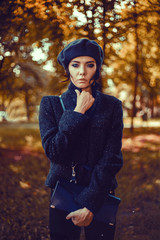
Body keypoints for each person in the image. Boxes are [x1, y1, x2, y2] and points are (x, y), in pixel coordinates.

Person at [39, 38, 123, 240]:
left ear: (97, 68)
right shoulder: (51, 105)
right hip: (63, 191)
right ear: (67, 68)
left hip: (100, 192)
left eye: (90, 65)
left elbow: (111, 158)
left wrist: (90, 204)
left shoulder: (112, 106)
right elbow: (54, 152)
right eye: (75, 65)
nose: (82, 72)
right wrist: (77, 112)